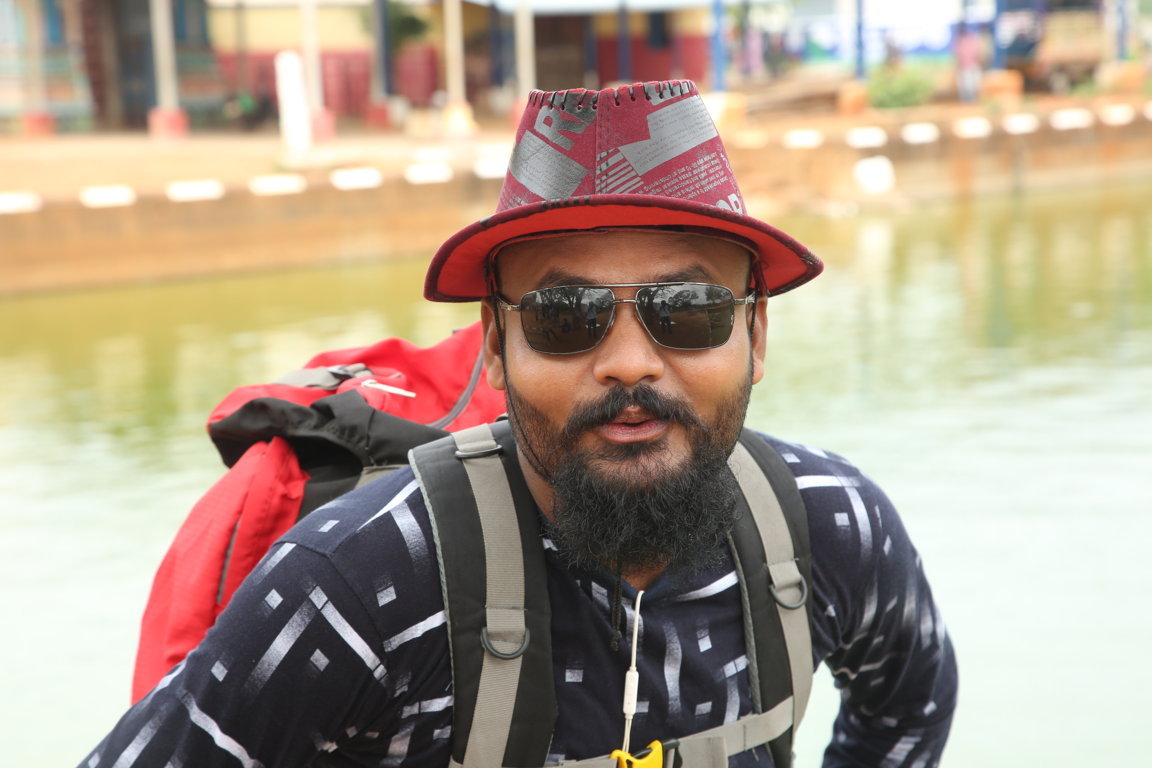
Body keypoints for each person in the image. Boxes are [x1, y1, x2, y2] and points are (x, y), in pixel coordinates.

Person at [79, 80, 956, 768]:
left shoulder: (834, 529)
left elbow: (910, 706)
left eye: (687, 310)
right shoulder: (360, 585)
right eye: (566, 317)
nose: (630, 363)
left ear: (755, 336)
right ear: (495, 346)